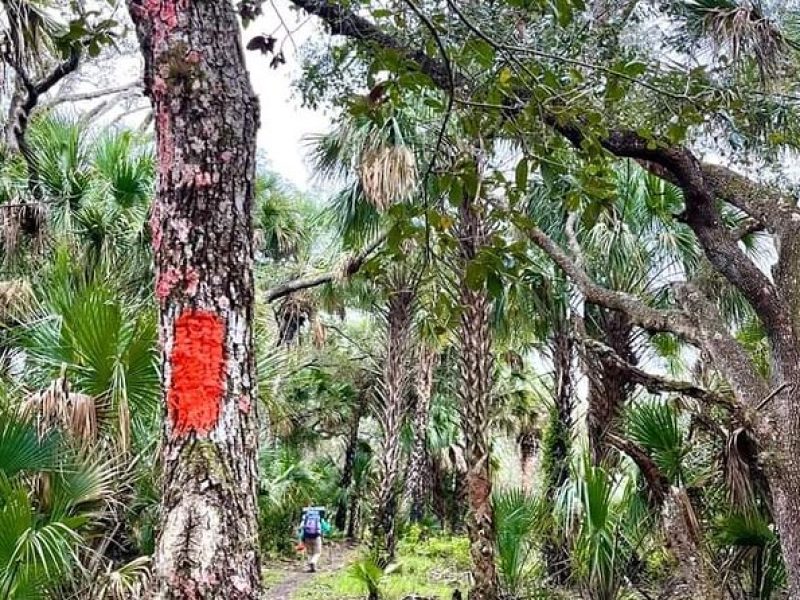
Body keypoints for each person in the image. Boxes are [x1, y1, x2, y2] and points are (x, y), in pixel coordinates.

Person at [297, 506, 331, 572]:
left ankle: (311, 566)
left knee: (309, 552)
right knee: (317, 552)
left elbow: (300, 528)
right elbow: (327, 528)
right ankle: (313, 562)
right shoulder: (319, 518)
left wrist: (301, 539)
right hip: (316, 537)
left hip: (307, 537)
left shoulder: (305, 518)